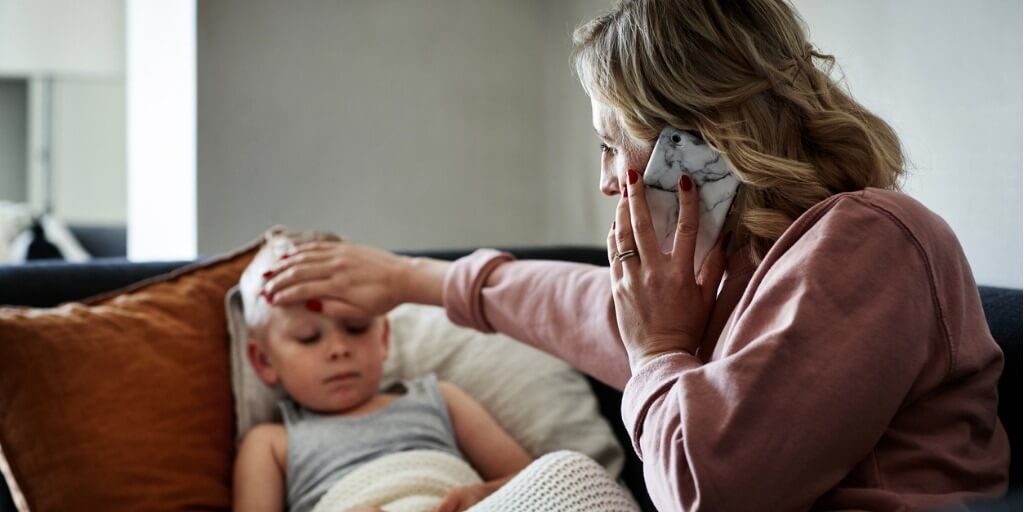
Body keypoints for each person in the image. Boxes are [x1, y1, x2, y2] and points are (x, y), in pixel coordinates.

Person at [260, 0, 1010, 509]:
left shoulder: (871, 240)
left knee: (564, 483)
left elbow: (707, 492)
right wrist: (408, 279)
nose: (604, 179)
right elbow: (584, 309)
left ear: (706, 131)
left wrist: (660, 348)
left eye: (614, 143)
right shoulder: (748, 263)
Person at [232, 245, 532, 512]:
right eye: (308, 338)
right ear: (264, 361)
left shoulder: (440, 398)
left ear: (384, 338)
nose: (338, 349)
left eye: (356, 328)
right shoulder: (271, 443)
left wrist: (485, 494)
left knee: (568, 466)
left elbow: (535, 478)